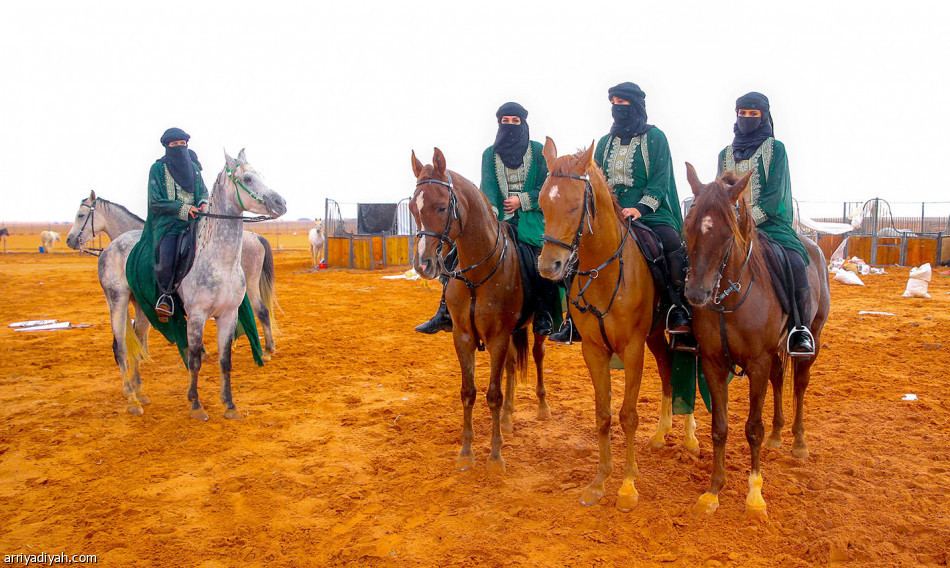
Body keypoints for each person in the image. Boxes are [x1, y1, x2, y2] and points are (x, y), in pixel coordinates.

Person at [550, 82, 689, 344]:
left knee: (669, 243)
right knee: (576, 249)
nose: (617, 108)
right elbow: (598, 181)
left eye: (623, 102)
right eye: (613, 102)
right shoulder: (605, 142)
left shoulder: (655, 138)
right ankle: (574, 318)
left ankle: (677, 308)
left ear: (635, 105)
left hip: (651, 212)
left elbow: (661, 179)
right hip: (610, 213)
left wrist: (641, 208)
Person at [415, 102, 557, 336]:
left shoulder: (538, 150)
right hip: (497, 219)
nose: (510, 125)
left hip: (531, 219)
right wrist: (489, 212)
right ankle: (444, 311)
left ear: (523, 123)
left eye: (515, 121)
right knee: (455, 254)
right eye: (505, 121)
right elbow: (488, 187)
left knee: (538, 258)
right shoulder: (489, 154)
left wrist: (522, 200)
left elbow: (546, 186)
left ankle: (544, 312)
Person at [717, 92, 814, 355]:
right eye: (742, 113)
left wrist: (746, 221)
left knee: (794, 260)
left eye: (753, 114)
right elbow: (719, 192)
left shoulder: (775, 149)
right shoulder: (725, 153)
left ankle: (800, 329)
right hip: (730, 225)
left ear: (764, 117)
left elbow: (774, 195)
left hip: (769, 223)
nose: (746, 118)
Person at [147, 127, 208, 318]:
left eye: (183, 144)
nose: (180, 147)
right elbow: (155, 201)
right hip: (169, 224)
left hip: (196, 222)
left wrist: (203, 202)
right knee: (165, 259)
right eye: (175, 144)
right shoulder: (157, 169)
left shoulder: (195, 168)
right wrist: (183, 209)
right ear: (167, 146)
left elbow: (203, 191)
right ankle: (166, 297)